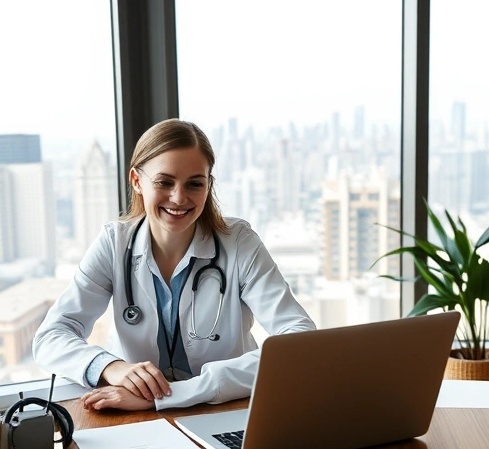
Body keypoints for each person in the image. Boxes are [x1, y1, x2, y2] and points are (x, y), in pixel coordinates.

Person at [33, 119, 315, 411]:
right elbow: (50, 338)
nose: (179, 198)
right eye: (164, 182)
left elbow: (300, 340)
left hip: (225, 408)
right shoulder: (114, 244)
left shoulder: (239, 243)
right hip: (128, 410)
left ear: (209, 185)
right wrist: (110, 367)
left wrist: (173, 394)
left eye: (195, 184)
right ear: (136, 181)